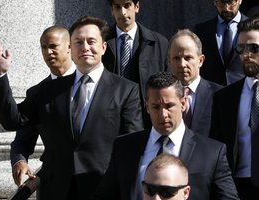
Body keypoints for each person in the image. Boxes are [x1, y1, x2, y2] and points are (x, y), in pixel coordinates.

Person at [0, 15, 144, 200]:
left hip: (104, 190)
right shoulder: (46, 90)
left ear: (103, 47)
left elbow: (132, 145)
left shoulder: (126, 90)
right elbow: (14, 121)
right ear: (71, 48)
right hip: (56, 190)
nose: (85, 47)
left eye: (91, 41)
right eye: (78, 42)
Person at [92, 72, 239, 200]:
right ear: (147, 107)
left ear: (183, 104)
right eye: (156, 107)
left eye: (169, 106)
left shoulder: (211, 152)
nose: (163, 114)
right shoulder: (125, 147)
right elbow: (103, 195)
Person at [10, 25, 76, 186]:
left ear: (69, 47)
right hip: (55, 184)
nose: (48, 52)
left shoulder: (93, 83)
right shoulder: (36, 94)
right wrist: (19, 161)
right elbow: (22, 140)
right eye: (44, 47)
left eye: (53, 46)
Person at [210, 17, 259, 199]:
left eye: (254, 48)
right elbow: (217, 147)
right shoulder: (225, 98)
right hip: (237, 188)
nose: (246, 55)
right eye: (241, 48)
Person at [102, 0, 169, 128]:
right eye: (117, 7)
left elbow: (168, 84)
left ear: (136, 7)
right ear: (112, 10)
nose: (123, 12)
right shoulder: (100, 42)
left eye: (127, 5)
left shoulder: (159, 43)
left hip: (147, 119)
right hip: (110, 118)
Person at [167, 29, 223, 136]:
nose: (182, 64)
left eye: (188, 58)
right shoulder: (161, 95)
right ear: (169, 61)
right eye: (176, 58)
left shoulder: (219, 95)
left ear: (200, 60)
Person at [194, 0, 248, 85]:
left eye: (231, 2)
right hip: (211, 92)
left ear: (240, 1)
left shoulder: (253, 28)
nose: (226, 8)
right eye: (222, 2)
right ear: (215, 2)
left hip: (244, 90)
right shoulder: (201, 30)